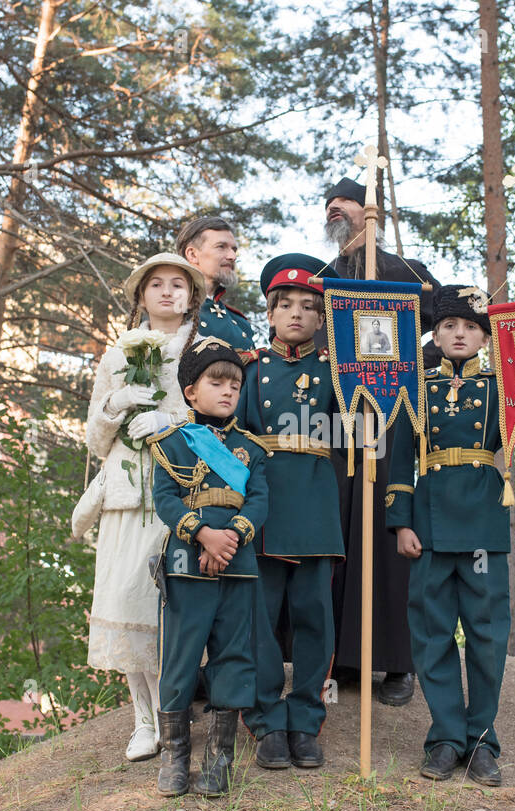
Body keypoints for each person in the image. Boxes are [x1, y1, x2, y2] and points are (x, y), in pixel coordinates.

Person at [385, 285, 515, 786]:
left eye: (470, 327)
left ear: (486, 338)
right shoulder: (414, 388)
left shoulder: (504, 389)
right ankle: (445, 738)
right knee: (432, 635)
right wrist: (401, 522)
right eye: (449, 326)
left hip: (485, 521)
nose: (459, 333)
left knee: (487, 638)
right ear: (436, 334)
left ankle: (482, 740)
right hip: (428, 523)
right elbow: (401, 460)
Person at [320, 176, 443, 706]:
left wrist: (418, 368)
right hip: (335, 419)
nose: (335, 210)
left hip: (391, 413)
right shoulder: (322, 277)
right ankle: (345, 657)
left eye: (343, 203)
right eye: (329, 206)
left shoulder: (407, 272)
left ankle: (397, 662)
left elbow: (448, 325)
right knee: (339, 527)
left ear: (371, 212)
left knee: (387, 522)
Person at [84, 252, 205, 762]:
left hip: (176, 487)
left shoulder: (204, 350)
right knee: (124, 598)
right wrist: (116, 404)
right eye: (156, 284)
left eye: (178, 284)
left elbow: (220, 411)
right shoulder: (116, 356)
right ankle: (143, 721)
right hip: (123, 493)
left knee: (167, 603)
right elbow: (94, 438)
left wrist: (170, 421)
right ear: (140, 296)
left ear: (191, 295)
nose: (167, 292)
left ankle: (176, 713)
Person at [147, 338, 270, 797]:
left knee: (234, 658)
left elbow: (259, 500)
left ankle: (219, 758)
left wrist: (228, 539)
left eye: (235, 385)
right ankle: (175, 755)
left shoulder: (252, 449)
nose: (227, 391)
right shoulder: (172, 444)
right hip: (184, 564)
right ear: (189, 391)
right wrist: (203, 534)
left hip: (237, 564)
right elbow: (164, 499)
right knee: (179, 659)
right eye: (215, 382)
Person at [238, 254, 344, 771]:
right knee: (258, 620)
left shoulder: (339, 373)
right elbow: (228, 442)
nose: (297, 314)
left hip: (316, 507)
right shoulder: (250, 370)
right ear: (271, 313)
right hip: (262, 508)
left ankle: (305, 721)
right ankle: (264, 721)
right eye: (286, 305)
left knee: (313, 620)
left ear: (322, 319)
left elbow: (361, 434)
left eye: (309, 306)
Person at [177, 216, 255, 349]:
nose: (232, 257)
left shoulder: (240, 322)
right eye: (221, 247)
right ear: (193, 255)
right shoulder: (169, 306)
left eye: (234, 250)